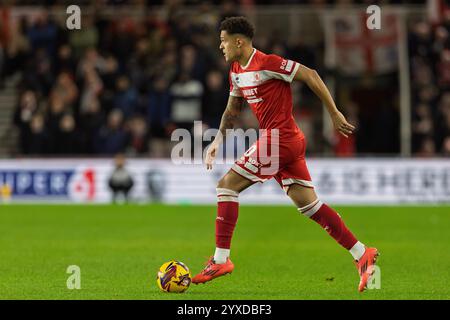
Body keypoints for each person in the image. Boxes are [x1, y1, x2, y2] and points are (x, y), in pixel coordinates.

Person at [192, 17, 379, 292]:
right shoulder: (235, 71)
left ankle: (221, 260)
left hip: (280, 138)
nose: (221, 46)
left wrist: (334, 112)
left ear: (238, 41)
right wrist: (217, 140)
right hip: (284, 141)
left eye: (223, 41)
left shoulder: (268, 63)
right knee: (309, 206)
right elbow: (232, 111)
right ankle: (361, 252)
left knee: (226, 186)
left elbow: (311, 74)